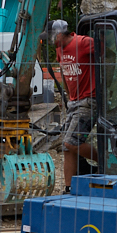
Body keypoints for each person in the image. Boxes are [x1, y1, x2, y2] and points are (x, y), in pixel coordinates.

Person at [44, 19, 97, 191]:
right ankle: (69, 188)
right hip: (73, 102)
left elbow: (109, 51)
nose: (48, 40)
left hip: (89, 100)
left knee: (70, 143)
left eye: (50, 36)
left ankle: (106, 161)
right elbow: (65, 74)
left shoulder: (83, 43)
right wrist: (67, 98)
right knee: (67, 148)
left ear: (59, 34)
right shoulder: (60, 50)